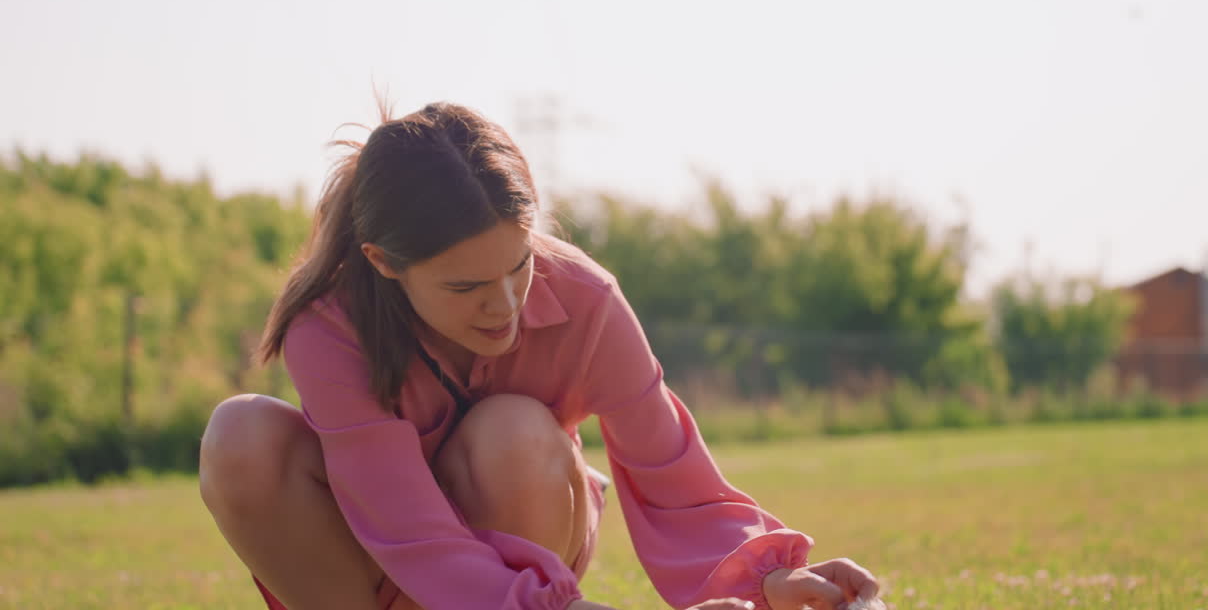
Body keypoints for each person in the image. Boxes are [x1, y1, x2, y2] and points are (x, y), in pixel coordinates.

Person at [198, 101, 880, 610]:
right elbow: (406, 526)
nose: (505, 306)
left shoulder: (586, 299)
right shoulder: (329, 325)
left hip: (524, 550)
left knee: (515, 432)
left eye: (518, 265)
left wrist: (769, 578)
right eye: (465, 286)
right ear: (382, 263)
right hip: (381, 563)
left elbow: (676, 476)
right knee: (241, 436)